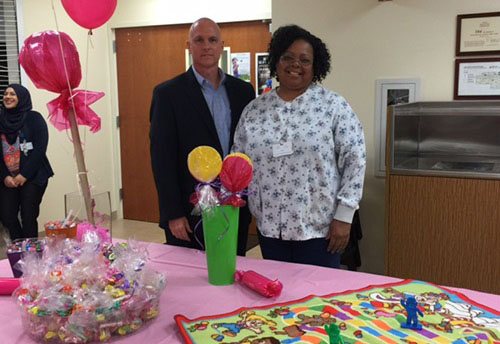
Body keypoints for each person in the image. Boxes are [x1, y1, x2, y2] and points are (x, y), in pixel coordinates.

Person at [232, 25, 366, 268]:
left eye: (305, 60)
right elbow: (238, 160)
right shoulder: (254, 110)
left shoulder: (333, 106)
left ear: (315, 67)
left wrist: (344, 217)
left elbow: (355, 160)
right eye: (288, 57)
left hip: (320, 230)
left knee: (319, 301)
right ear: (276, 61)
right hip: (270, 228)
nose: (295, 65)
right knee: (280, 299)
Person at [150, 18, 255, 256]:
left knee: (230, 272)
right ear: (189, 46)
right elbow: (162, 159)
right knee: (192, 281)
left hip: (234, 205)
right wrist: (172, 213)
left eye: (212, 40)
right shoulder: (168, 94)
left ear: (221, 45)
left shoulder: (244, 92)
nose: (206, 46)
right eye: (199, 40)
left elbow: (251, 149)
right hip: (189, 211)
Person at [0, 84, 53, 240]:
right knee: (7, 216)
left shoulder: (34, 118)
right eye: (6, 94)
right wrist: (5, 176)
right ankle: (19, 250)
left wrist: (24, 175)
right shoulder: (1, 120)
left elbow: (40, 148)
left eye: (13, 94)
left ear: (22, 98)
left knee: (28, 216)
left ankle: (31, 257)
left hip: (33, 176)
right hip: (7, 178)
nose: (8, 97)